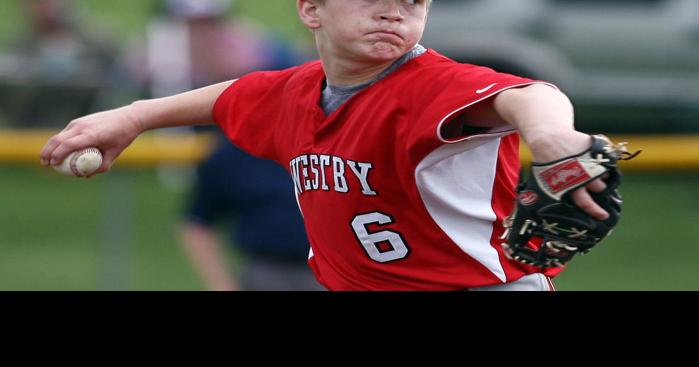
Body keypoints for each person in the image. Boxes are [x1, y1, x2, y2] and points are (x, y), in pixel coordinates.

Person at [41, 0, 613, 291]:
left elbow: (527, 94)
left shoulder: (429, 85)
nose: (395, 10)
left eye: (414, 2)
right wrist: (134, 116)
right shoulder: (293, 91)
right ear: (311, 7)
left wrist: (550, 135)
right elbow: (229, 98)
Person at [0, 0, 118, 127]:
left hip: (89, 127)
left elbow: (117, 85)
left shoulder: (97, 42)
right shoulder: (19, 47)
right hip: (31, 131)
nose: (45, 8)